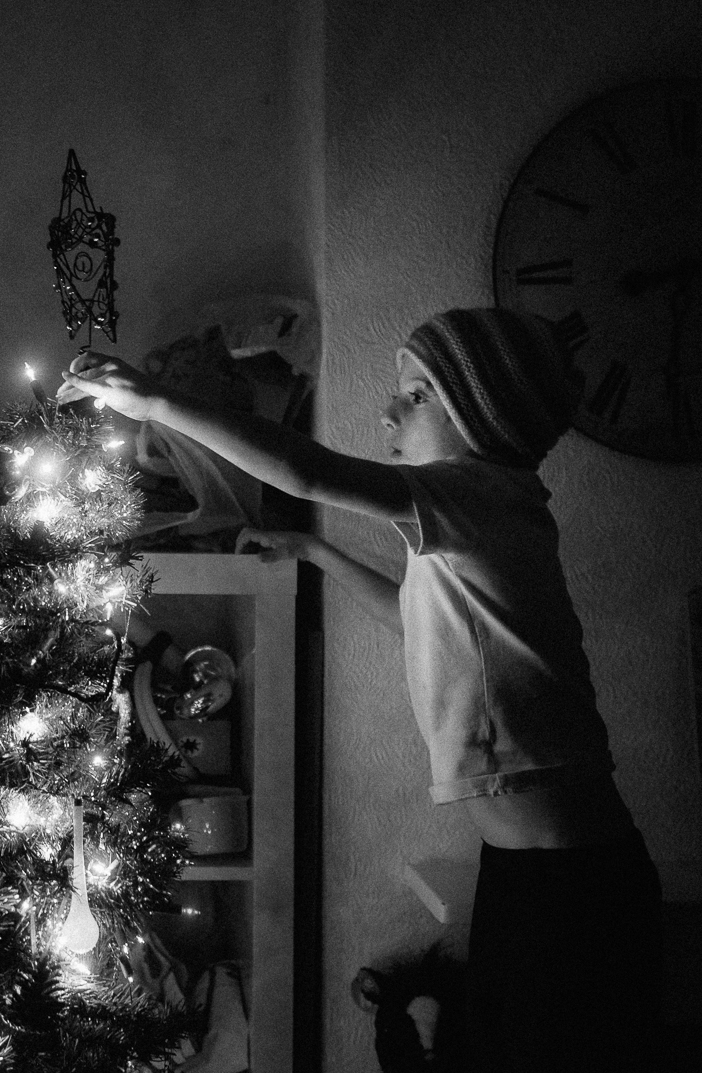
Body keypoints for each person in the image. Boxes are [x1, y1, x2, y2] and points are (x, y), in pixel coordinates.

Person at [61, 307, 660, 1071]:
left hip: (574, 885)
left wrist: (155, 402)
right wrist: (315, 551)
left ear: (484, 415)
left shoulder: (480, 493)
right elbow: (413, 626)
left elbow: (307, 471)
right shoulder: (473, 525)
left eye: (418, 394)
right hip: (526, 868)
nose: (389, 411)